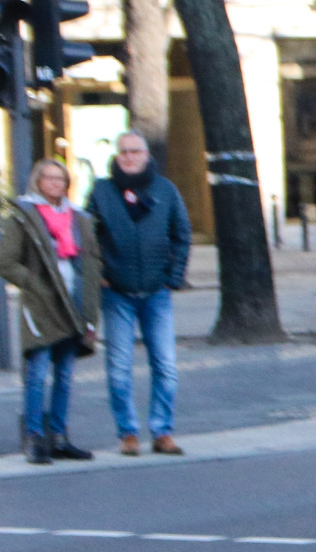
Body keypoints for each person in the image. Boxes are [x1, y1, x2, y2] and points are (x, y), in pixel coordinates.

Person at [86, 131, 190, 456]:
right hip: (117, 292)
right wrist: (100, 274)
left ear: (146, 155)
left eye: (136, 151)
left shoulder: (165, 189)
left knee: (165, 365)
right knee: (118, 366)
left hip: (156, 291)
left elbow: (182, 235)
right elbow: (88, 237)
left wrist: (173, 277)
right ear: (117, 157)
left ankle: (162, 431)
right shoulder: (102, 190)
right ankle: (127, 433)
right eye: (124, 152)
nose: (130, 157)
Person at [0, 158, 102, 463]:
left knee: (66, 375)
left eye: (61, 179)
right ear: (38, 181)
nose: (56, 184)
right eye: (50, 178)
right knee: (38, 373)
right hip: (43, 305)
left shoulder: (78, 218)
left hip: (74, 304)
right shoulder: (23, 217)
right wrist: (35, 285)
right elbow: (6, 262)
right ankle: (34, 438)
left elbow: (92, 262)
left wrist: (91, 311)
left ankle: (58, 436)